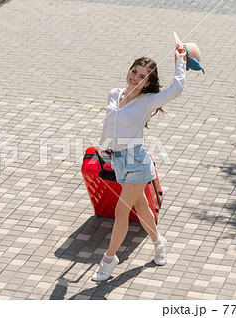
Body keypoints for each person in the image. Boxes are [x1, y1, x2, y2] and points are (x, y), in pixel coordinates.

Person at [92, 44, 186, 282]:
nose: (135, 78)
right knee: (142, 207)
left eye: (142, 77)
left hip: (137, 161)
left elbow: (177, 89)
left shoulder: (146, 101)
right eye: (134, 71)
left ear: (147, 83)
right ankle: (158, 242)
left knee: (121, 211)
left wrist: (180, 61)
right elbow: (109, 125)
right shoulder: (114, 94)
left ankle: (109, 259)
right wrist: (103, 149)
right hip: (118, 160)